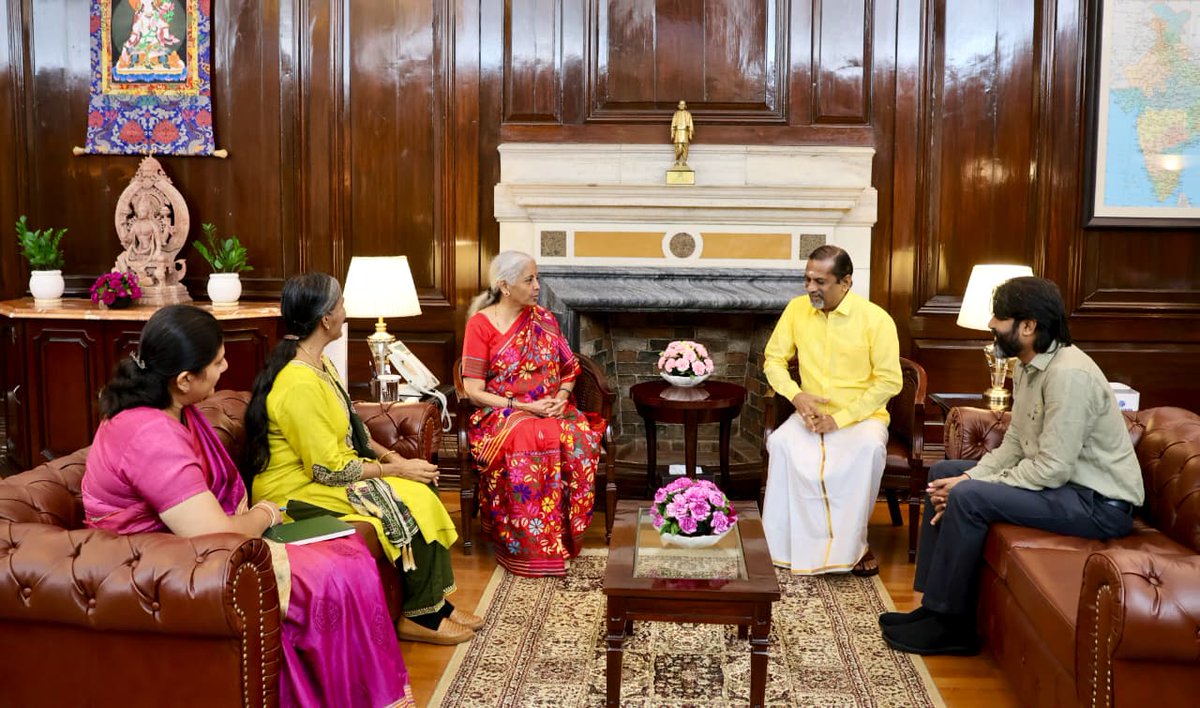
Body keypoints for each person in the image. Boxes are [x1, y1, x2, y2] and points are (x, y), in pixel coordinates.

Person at [82, 305, 415, 707]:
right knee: (330, 575)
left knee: (349, 555)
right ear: (185, 379)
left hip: (187, 542)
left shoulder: (172, 408)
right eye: (218, 361)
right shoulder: (148, 433)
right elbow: (212, 534)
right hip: (154, 562)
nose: (225, 367)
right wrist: (265, 514)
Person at [880, 276, 1143, 655]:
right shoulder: (1026, 366)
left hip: (1097, 504)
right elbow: (1016, 444)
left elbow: (1052, 468)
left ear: (1028, 325)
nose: (991, 325)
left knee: (968, 497)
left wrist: (972, 486)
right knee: (945, 475)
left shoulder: (1069, 375)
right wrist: (967, 475)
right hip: (1065, 491)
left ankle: (954, 627)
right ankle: (932, 609)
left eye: (999, 317)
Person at [242, 272, 481, 645]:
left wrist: (396, 461)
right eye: (340, 306)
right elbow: (328, 470)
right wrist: (396, 470)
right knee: (407, 500)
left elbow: (356, 431)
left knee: (422, 490)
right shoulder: (298, 383)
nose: (345, 312)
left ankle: (436, 603)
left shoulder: (320, 365)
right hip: (294, 491)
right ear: (325, 319)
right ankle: (422, 616)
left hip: (321, 478)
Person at [461, 250, 604, 577]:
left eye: (537, 278)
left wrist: (561, 395)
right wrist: (523, 407)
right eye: (530, 280)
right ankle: (531, 549)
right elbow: (473, 390)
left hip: (552, 406)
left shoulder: (545, 319)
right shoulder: (480, 325)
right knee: (534, 437)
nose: (538, 286)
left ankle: (565, 540)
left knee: (578, 438)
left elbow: (570, 368)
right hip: (503, 414)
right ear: (505, 286)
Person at [761, 245, 902, 576]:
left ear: (846, 282)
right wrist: (797, 397)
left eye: (820, 281)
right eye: (808, 279)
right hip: (808, 415)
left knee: (867, 450)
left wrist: (839, 419)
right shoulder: (796, 310)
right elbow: (773, 360)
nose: (811, 288)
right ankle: (786, 547)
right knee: (781, 443)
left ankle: (854, 546)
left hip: (860, 418)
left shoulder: (876, 320)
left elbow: (888, 382)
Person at [671, 100, 694, 165]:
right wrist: (672, 133)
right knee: (678, 147)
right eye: (680, 104)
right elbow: (673, 124)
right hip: (678, 132)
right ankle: (677, 160)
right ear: (678, 106)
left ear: (685, 106)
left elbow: (690, 125)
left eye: (683, 104)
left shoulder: (687, 114)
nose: (681, 106)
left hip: (684, 132)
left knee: (685, 147)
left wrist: (690, 134)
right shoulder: (676, 114)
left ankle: (684, 161)